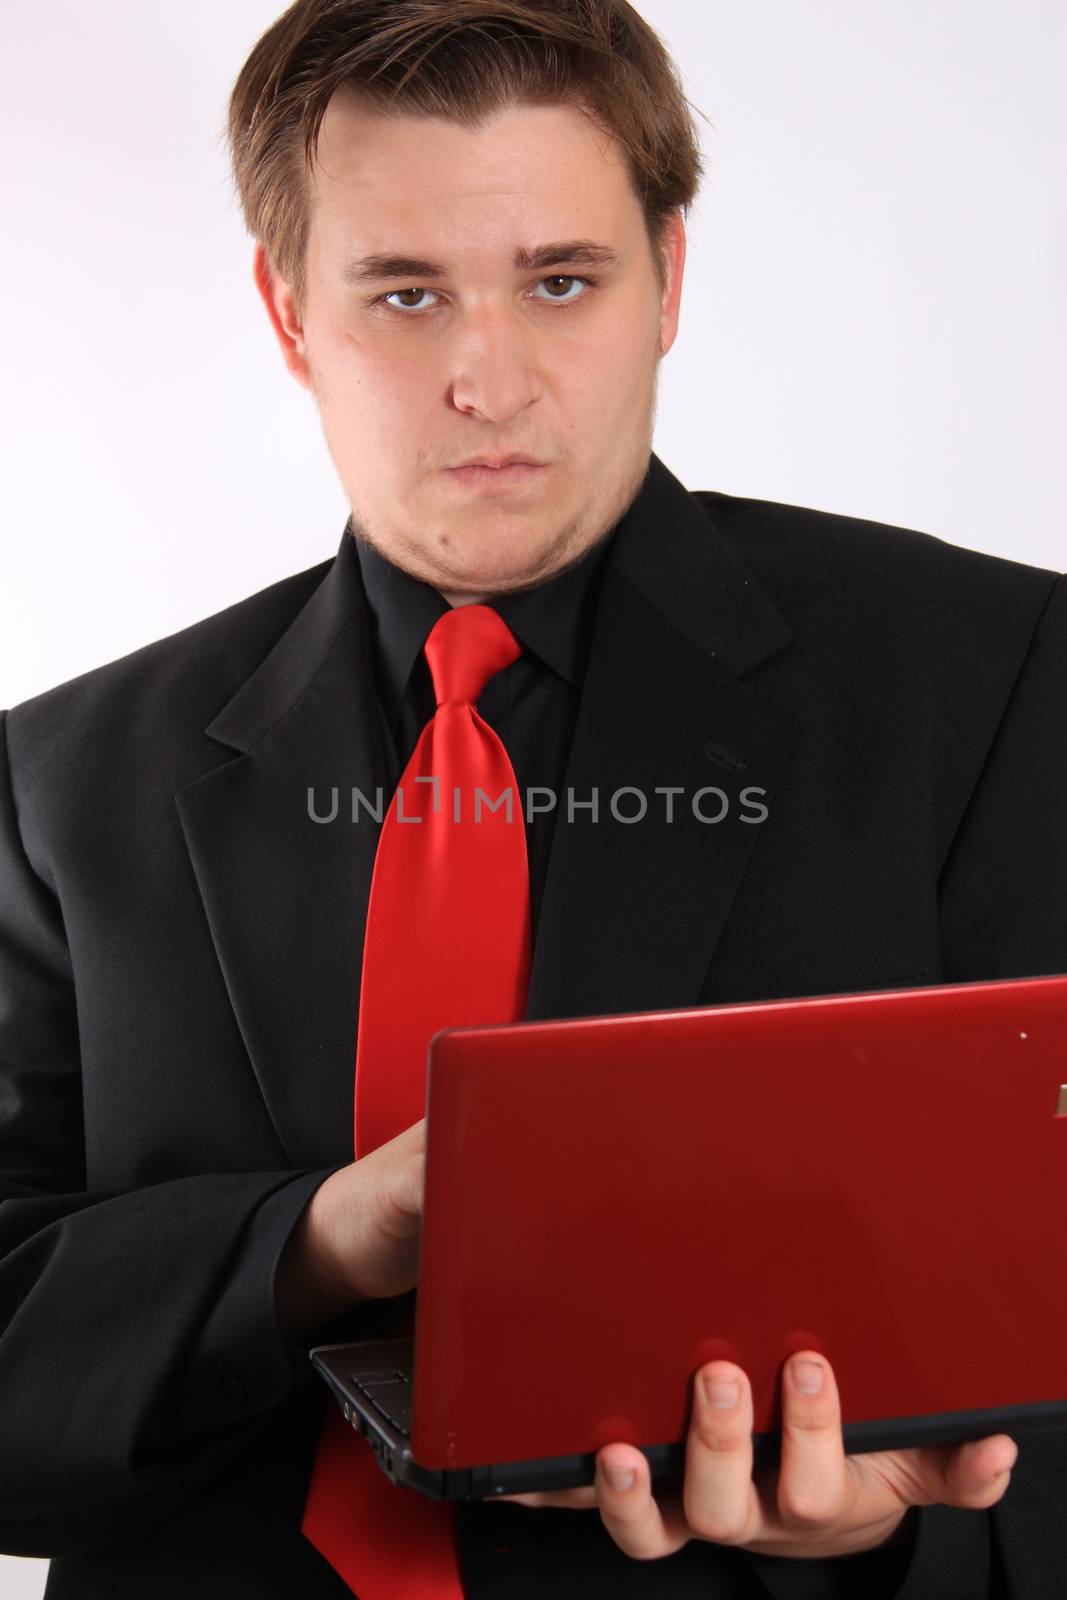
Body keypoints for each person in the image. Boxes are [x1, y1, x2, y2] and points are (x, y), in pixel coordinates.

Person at [0, 2, 1063, 1596]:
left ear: (669, 285)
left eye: (560, 282)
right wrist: (320, 1241)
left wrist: (891, 1528)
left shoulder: (995, 680)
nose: (486, 381)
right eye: (406, 294)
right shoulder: (60, 781)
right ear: (290, 314)